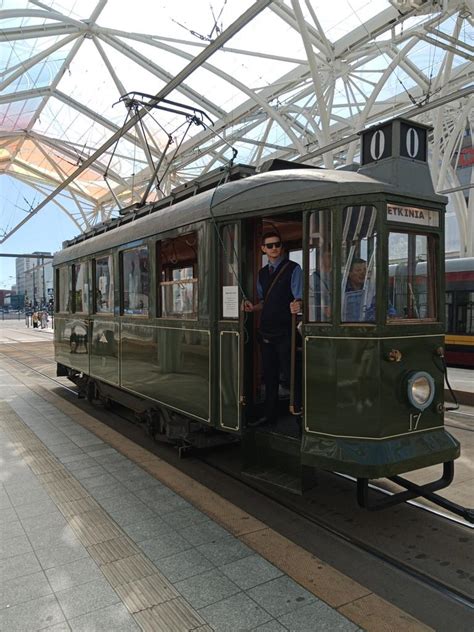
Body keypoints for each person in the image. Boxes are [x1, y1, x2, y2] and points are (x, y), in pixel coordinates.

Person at [243, 232, 302, 425]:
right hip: (266, 331)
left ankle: (299, 416)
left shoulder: (294, 268)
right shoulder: (261, 273)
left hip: (286, 331)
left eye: (277, 244)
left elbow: (299, 298)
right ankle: (270, 415)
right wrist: (254, 308)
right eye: (270, 246)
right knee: (269, 375)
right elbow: (263, 302)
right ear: (263, 249)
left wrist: (299, 305)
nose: (274, 248)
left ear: (281, 247)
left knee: (291, 374)